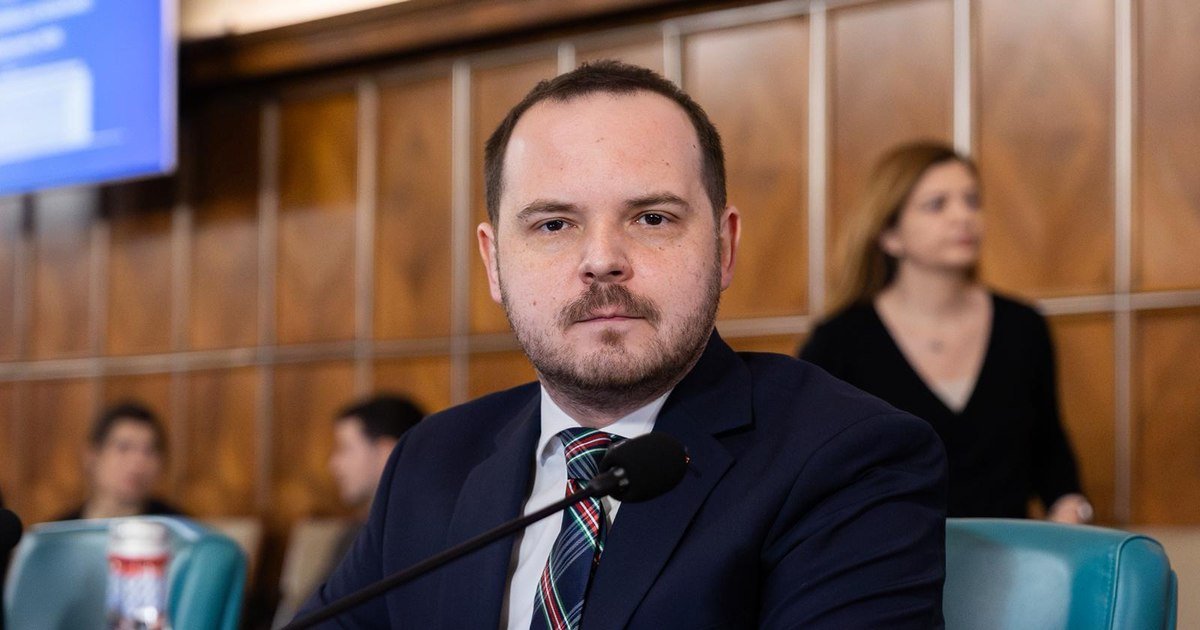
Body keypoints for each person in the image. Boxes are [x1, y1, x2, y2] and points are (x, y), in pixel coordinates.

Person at [299, 61, 947, 628]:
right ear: (494, 263)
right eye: (554, 224)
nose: (602, 260)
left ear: (724, 247)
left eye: (652, 218)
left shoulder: (848, 457)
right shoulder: (432, 462)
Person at [800, 141, 1091, 523]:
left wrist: (1070, 507)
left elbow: (1050, 450)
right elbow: (816, 473)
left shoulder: (1023, 326)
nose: (963, 217)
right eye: (937, 205)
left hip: (1010, 551)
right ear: (890, 235)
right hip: (892, 555)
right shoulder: (839, 343)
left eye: (972, 201)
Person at [273, 395, 426, 629]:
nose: (334, 464)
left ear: (386, 452)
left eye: (345, 448)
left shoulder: (412, 538)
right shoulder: (354, 533)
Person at [56, 402, 183, 521]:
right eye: (123, 448)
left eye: (149, 451)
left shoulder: (178, 528)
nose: (138, 462)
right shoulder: (60, 531)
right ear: (92, 456)